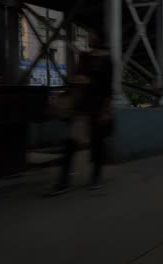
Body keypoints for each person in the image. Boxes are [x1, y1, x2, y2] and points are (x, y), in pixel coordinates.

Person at [48, 27, 113, 195]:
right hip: (82, 107)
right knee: (70, 144)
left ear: (99, 38)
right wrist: (73, 84)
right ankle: (63, 182)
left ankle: (96, 177)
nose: (89, 37)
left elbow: (108, 89)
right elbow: (76, 78)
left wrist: (106, 110)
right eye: (90, 35)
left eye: (92, 34)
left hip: (97, 108)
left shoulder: (107, 59)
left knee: (97, 145)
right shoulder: (85, 57)